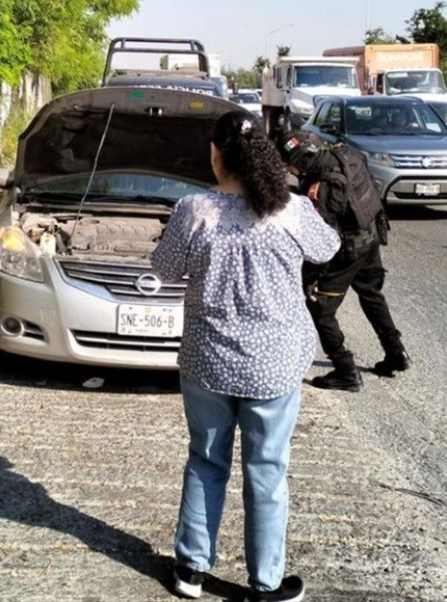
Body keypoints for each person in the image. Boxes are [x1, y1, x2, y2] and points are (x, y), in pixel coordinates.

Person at [152, 111, 339, 602]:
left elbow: (164, 267)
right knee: (267, 469)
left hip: (207, 361)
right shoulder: (292, 210)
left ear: (216, 156)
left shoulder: (194, 210)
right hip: (273, 366)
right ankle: (266, 583)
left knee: (205, 461)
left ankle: (190, 571)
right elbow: (329, 249)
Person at [280, 130, 411, 392]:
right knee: (371, 294)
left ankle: (345, 370)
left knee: (321, 309)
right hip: (371, 235)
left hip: (349, 249)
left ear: (303, 159)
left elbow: (322, 239)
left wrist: (310, 279)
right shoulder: (346, 154)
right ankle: (396, 353)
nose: (290, 169)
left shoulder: (323, 185)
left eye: (291, 163)